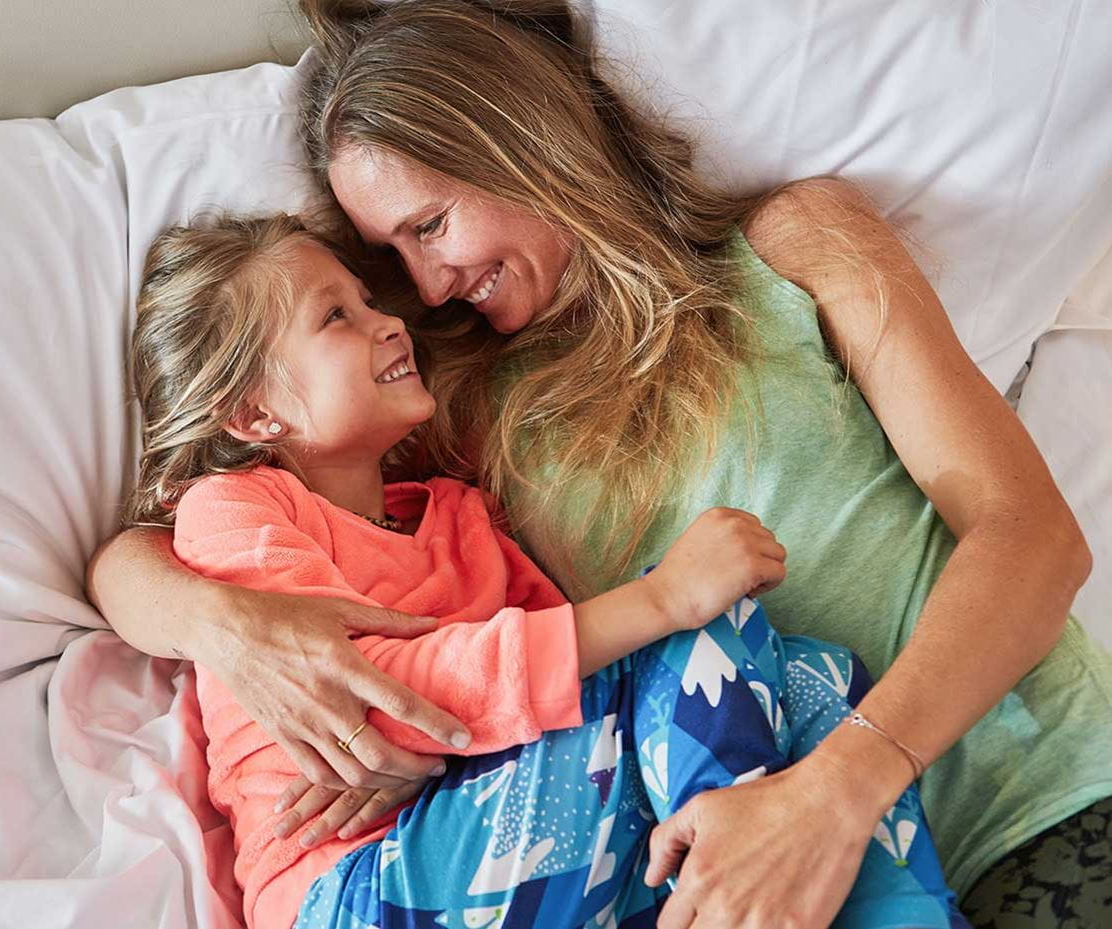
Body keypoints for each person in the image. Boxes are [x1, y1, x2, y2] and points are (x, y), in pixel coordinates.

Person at [89, 3, 1112, 926]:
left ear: (517, 141)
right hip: (752, 876)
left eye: (431, 225)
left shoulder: (795, 243)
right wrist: (239, 634)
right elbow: (137, 556)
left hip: (1039, 794)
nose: (426, 288)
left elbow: (1035, 539)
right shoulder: (466, 413)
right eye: (393, 258)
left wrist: (839, 790)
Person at [129, 212, 964, 929]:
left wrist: (671, 616)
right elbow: (380, 697)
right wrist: (663, 597)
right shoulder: (233, 510)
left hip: (525, 849)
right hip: (358, 888)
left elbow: (568, 685)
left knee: (817, 676)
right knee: (692, 624)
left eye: (371, 302)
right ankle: (734, 888)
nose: (388, 323)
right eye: (336, 317)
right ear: (255, 412)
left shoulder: (461, 516)